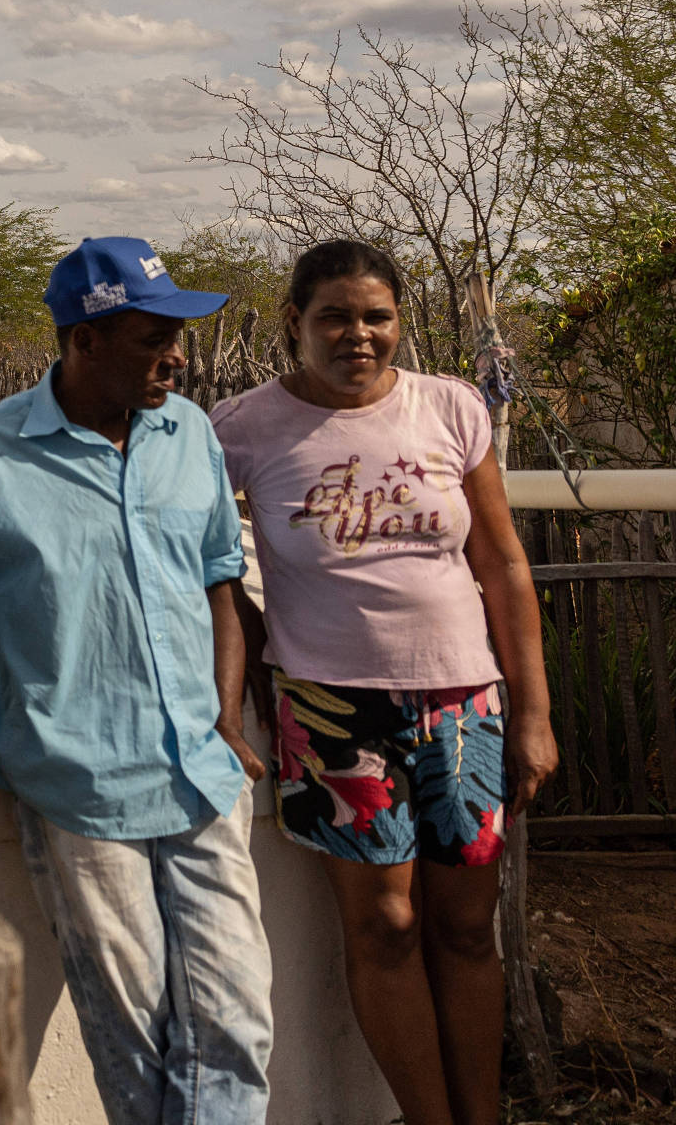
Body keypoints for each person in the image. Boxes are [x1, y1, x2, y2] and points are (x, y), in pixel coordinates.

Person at [0, 236, 271, 1125]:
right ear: (84, 342)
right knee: (137, 1036)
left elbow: (221, 584)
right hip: (80, 783)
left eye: (178, 334)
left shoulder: (188, 432)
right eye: (155, 336)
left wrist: (228, 722)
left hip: (200, 772)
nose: (179, 356)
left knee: (236, 1023)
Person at [210, 240, 554, 1125]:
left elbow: (504, 566)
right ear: (295, 323)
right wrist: (249, 668)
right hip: (328, 710)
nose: (357, 335)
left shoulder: (450, 407)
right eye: (334, 316)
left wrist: (533, 713)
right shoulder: (242, 429)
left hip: (463, 704)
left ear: (397, 322)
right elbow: (205, 567)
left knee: (467, 929)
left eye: (376, 317)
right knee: (385, 929)